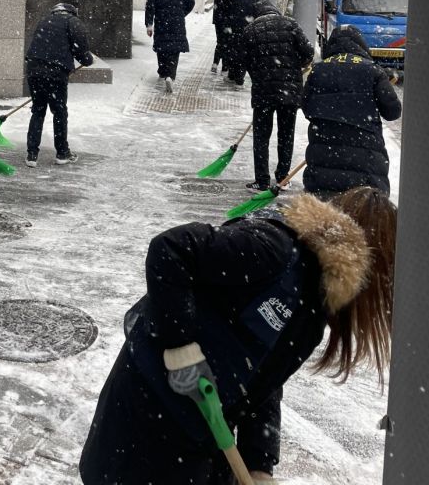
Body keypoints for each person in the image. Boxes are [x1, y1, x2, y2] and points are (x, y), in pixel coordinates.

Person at [80, 187, 396, 485]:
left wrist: (259, 463)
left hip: (199, 438)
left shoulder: (312, 311)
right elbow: (170, 250)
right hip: (145, 419)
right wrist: (180, 349)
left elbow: (264, 383)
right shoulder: (273, 249)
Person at [302, 26, 402, 197]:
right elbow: (392, 111)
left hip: (324, 149)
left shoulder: (318, 70)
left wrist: (331, 115)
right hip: (365, 153)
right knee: (363, 206)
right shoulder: (372, 70)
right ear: (360, 44)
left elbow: (306, 106)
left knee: (325, 206)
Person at [242, 0, 314, 192]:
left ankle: (262, 180)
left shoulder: (250, 30)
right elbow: (308, 53)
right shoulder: (290, 25)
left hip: (263, 91)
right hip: (289, 92)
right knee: (286, 134)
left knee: (261, 136)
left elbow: (243, 61)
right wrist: (294, 67)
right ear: (275, 12)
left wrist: (258, 75)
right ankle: (283, 177)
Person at [25, 0, 93, 167]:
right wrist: (87, 60)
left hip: (34, 69)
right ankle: (62, 153)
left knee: (38, 111)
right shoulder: (73, 22)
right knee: (59, 112)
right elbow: (82, 52)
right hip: (55, 73)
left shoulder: (45, 20)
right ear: (74, 9)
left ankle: (31, 155)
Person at [145, 0, 196, 93]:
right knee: (174, 50)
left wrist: (149, 25)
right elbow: (191, 2)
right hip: (177, 23)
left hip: (161, 22)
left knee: (162, 48)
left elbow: (149, 7)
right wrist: (181, 13)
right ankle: (170, 76)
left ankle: (162, 72)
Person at [215, 0, 259, 87]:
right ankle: (239, 78)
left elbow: (221, 12)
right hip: (248, 31)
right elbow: (258, 15)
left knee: (232, 52)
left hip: (232, 30)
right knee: (244, 54)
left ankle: (232, 75)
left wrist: (224, 26)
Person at [210, 0, 237, 74]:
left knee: (220, 43)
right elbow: (230, 8)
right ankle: (224, 67)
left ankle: (215, 63)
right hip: (227, 22)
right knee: (227, 44)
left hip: (219, 21)